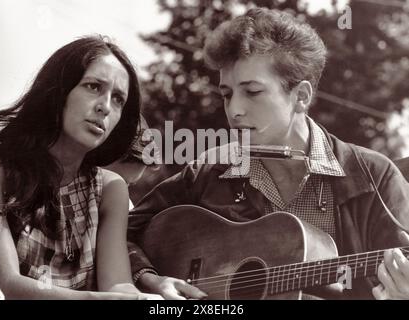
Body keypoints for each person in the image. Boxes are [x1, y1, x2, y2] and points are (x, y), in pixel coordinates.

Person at [127, 8, 409, 300]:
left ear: (301, 96)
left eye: (252, 92)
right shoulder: (208, 171)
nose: (234, 110)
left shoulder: (374, 176)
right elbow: (122, 234)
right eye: (226, 94)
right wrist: (149, 279)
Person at [0, 35, 162, 299]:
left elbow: (117, 286)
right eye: (93, 86)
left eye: (118, 100)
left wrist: (144, 298)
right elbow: (7, 285)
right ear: (58, 91)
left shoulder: (111, 189)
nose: (105, 107)